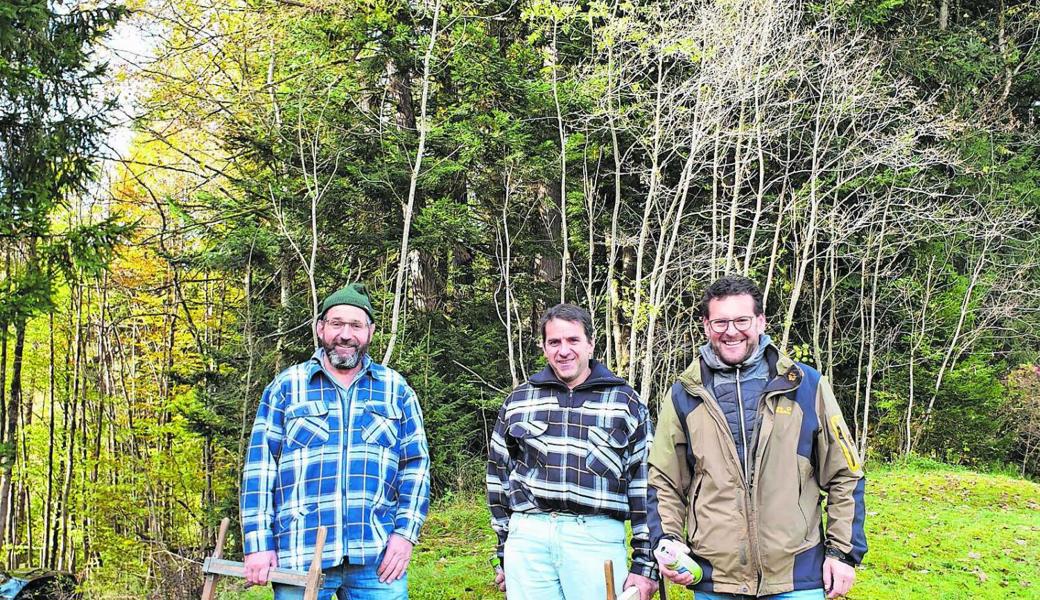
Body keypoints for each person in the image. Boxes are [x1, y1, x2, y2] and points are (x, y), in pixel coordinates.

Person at [648, 276, 867, 600]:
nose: (731, 331)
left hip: (797, 578)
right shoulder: (684, 395)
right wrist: (667, 538)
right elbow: (664, 479)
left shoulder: (806, 386)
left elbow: (845, 473)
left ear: (761, 322)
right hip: (716, 581)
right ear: (706, 326)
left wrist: (842, 553)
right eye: (720, 321)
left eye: (742, 320)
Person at [240, 283, 430, 600]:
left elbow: (416, 466)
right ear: (320, 328)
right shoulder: (287, 387)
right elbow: (260, 468)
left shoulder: (395, 389)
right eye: (336, 323)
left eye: (355, 325)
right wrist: (258, 544)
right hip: (301, 553)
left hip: (377, 555)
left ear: (369, 332)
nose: (345, 334)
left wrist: (404, 535)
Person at [487, 304, 658, 600]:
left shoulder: (625, 402)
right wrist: (504, 549)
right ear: (543, 348)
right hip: (528, 538)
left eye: (573, 340)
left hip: (595, 538)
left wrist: (645, 564)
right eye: (554, 342)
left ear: (590, 344)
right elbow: (498, 478)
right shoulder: (519, 401)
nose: (563, 350)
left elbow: (646, 485)